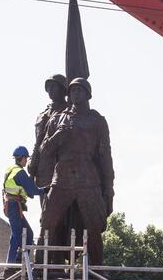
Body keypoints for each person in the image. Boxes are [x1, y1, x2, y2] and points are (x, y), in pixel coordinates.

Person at [39, 78, 114, 266]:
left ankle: (97, 271)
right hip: (62, 177)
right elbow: (45, 150)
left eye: (80, 91)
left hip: (88, 178)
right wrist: (58, 135)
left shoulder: (97, 121)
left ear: (88, 94)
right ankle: (41, 266)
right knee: (47, 222)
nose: (75, 94)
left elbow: (105, 156)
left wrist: (109, 189)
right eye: (72, 91)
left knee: (94, 227)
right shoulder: (58, 118)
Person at [3, 146, 47, 266]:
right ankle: (11, 265)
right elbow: (33, 191)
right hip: (14, 206)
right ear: (22, 158)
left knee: (29, 234)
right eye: (26, 158)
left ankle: (19, 260)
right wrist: (46, 189)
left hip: (12, 205)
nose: (26, 161)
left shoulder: (10, 169)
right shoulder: (20, 173)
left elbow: (25, 190)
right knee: (16, 236)